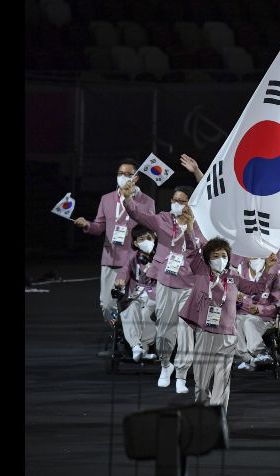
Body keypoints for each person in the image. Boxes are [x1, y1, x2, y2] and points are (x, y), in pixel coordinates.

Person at [178, 230, 275, 412]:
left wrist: (267, 269)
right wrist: (190, 227)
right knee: (201, 381)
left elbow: (257, 288)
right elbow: (191, 250)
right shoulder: (201, 272)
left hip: (228, 335)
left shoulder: (233, 278)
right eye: (215, 255)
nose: (220, 258)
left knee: (222, 379)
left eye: (224, 255)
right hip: (206, 334)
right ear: (207, 259)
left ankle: (217, 415)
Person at [121, 182, 204, 392]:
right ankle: (166, 365)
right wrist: (128, 198)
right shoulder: (162, 219)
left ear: (189, 204)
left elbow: (196, 251)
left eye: (181, 201)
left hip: (189, 285)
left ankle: (182, 377)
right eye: (174, 200)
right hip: (166, 281)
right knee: (165, 331)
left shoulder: (199, 223)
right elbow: (138, 214)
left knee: (186, 332)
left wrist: (190, 228)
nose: (177, 204)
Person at [73, 159, 155, 325]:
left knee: (134, 304)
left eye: (128, 174)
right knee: (108, 305)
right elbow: (98, 227)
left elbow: (151, 229)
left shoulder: (147, 202)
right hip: (111, 259)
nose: (123, 177)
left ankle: (132, 342)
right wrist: (87, 225)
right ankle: (117, 332)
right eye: (120, 173)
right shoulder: (107, 199)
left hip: (135, 261)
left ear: (136, 178)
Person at [114, 225, 158, 362]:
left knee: (147, 313)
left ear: (155, 238)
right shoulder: (132, 257)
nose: (146, 241)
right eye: (142, 239)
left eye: (149, 238)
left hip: (155, 295)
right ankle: (136, 347)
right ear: (135, 243)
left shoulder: (162, 257)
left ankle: (143, 348)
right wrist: (120, 280)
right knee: (130, 309)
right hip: (136, 295)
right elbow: (124, 271)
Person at [234, 254, 280, 370]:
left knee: (249, 321)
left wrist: (259, 309)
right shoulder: (240, 277)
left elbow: (276, 305)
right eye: (254, 257)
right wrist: (236, 300)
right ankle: (245, 357)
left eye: (260, 257)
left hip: (263, 319)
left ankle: (260, 352)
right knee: (235, 321)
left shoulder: (272, 278)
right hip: (243, 314)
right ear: (248, 259)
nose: (257, 260)